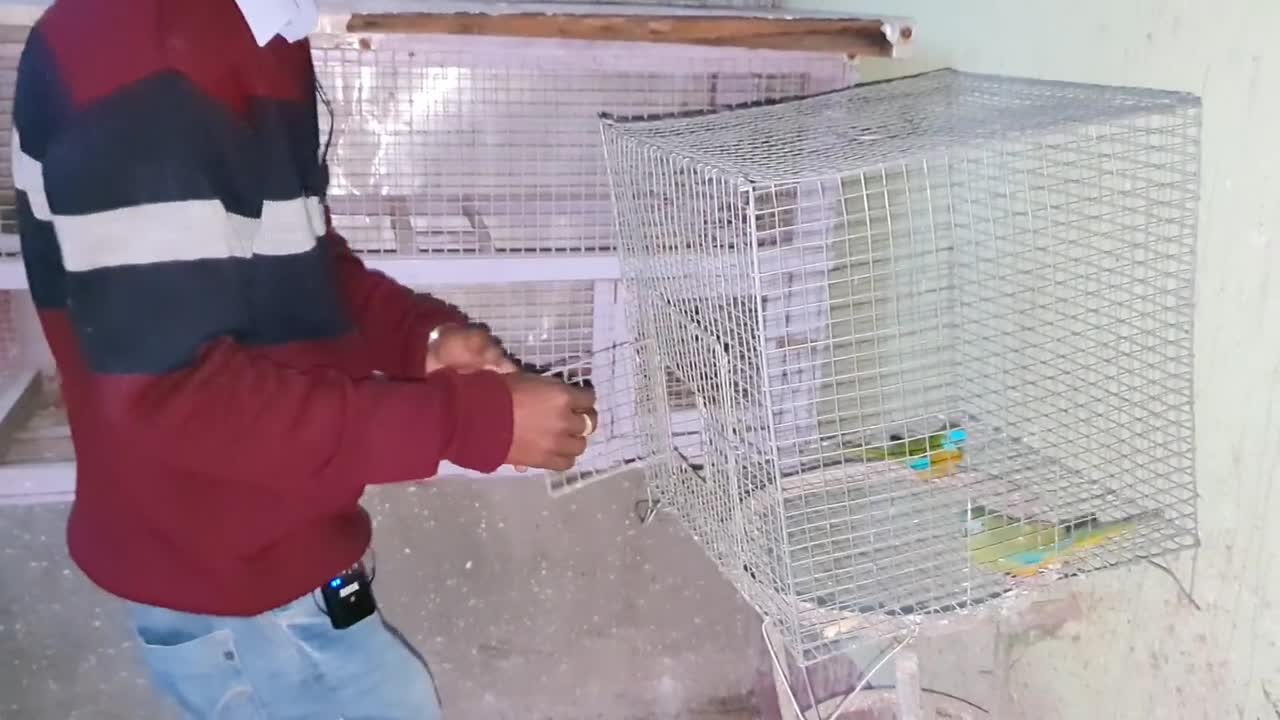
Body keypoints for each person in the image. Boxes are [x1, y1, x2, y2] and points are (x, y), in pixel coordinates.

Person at [11, 0, 597, 717]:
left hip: (268, 557)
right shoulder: (136, 55)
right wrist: (468, 424)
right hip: (225, 582)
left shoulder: (260, 31)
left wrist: (422, 339)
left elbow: (295, 253)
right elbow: (175, 393)